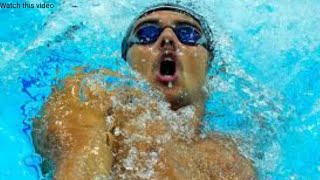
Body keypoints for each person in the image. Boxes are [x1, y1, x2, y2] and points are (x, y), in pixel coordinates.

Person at [32, 3, 256, 179]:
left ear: (211, 69)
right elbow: (80, 161)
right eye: (146, 33)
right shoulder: (88, 99)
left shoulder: (231, 157)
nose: (167, 39)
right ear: (126, 61)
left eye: (188, 34)